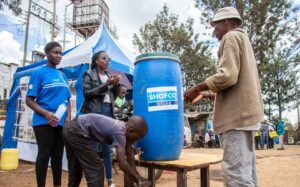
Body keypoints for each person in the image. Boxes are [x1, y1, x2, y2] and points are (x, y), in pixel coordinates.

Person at [184, 7, 264, 187]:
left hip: (236, 119)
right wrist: (207, 94)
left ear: (226, 21)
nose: (214, 31)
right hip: (246, 117)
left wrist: (196, 88)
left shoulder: (231, 37)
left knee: (236, 174)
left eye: (216, 25)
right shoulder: (243, 38)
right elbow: (236, 83)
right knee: (247, 173)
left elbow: (228, 76)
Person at [26, 41, 71, 187]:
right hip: (43, 121)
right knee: (44, 154)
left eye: (60, 53)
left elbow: (67, 99)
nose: (59, 56)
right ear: (47, 54)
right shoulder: (39, 73)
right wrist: (46, 113)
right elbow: (29, 100)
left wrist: (68, 118)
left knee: (58, 156)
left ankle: (57, 185)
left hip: (61, 122)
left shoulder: (63, 75)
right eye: (55, 52)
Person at [63, 113, 148, 187]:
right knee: (96, 170)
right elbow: (122, 164)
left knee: (76, 171)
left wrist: (134, 176)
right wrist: (135, 177)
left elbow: (130, 155)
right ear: (131, 131)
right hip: (76, 131)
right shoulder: (120, 132)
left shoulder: (125, 130)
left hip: (71, 128)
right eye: (137, 137)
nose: (136, 140)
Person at [81, 51, 121, 187]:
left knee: (107, 149)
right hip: (96, 112)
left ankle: (110, 182)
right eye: (104, 58)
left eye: (108, 59)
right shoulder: (89, 74)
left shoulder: (109, 76)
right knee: (92, 148)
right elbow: (87, 94)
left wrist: (115, 85)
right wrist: (106, 84)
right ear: (96, 61)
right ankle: (93, 182)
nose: (107, 61)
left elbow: (114, 97)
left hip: (109, 111)